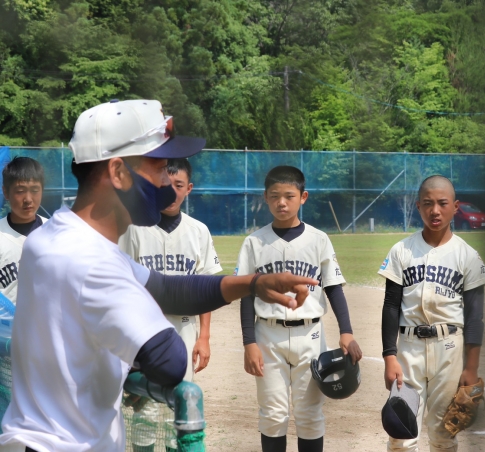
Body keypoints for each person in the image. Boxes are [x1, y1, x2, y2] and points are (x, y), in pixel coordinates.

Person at [0, 99, 317, 452]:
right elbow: (169, 361)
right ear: (118, 173)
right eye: (161, 168)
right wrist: (136, 357)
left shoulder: (54, 235)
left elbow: (166, 288)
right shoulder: (89, 260)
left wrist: (253, 284)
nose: (168, 183)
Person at [236, 165, 362, 452]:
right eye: (275, 196)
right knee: (272, 415)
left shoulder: (318, 239)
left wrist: (346, 331)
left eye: (289, 196)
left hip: (311, 336)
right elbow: (246, 295)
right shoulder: (254, 242)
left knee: (310, 415)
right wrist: (249, 342)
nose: (282, 202)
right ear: (265, 198)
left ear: (303, 197)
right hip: (267, 336)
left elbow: (333, 287)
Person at [379, 175, 485, 452]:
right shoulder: (402, 250)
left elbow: (475, 317)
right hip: (408, 349)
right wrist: (389, 356)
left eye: (442, 203)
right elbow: (391, 305)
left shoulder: (467, 255)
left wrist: (471, 368)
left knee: (443, 434)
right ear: (418, 206)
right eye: (428, 204)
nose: (435, 211)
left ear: (456, 206)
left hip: (449, 349)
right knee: (401, 434)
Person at [119, 157, 222, 452]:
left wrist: (204, 336)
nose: (172, 191)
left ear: (189, 188)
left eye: (179, 185)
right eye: (167, 183)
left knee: (180, 405)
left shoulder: (198, 231)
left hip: (185, 327)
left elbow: (205, 288)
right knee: (145, 413)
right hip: (143, 328)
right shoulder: (134, 228)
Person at [0, 157, 48, 303]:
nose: (28, 199)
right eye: (20, 191)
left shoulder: (55, 232)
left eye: (35, 190)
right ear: (6, 192)